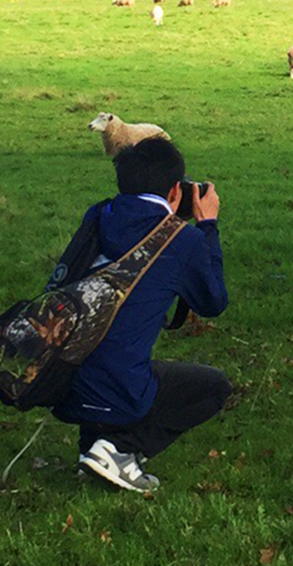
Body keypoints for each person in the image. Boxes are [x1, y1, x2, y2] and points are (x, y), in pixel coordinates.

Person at [53, 136, 231, 491]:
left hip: (60, 381)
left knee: (109, 343)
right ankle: (121, 449)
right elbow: (213, 303)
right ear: (175, 192)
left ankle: (92, 449)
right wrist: (207, 225)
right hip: (117, 389)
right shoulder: (183, 240)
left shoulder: (98, 215)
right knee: (212, 387)